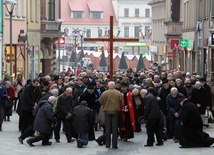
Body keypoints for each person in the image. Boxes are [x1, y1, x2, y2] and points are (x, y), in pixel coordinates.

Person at [99, 81, 123, 149]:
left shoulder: (105, 93)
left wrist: (105, 104)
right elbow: (122, 103)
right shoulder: (118, 93)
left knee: (108, 129)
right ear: (114, 85)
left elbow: (100, 101)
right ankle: (114, 144)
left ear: (108, 86)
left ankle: (108, 144)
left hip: (107, 112)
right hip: (115, 112)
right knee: (115, 128)